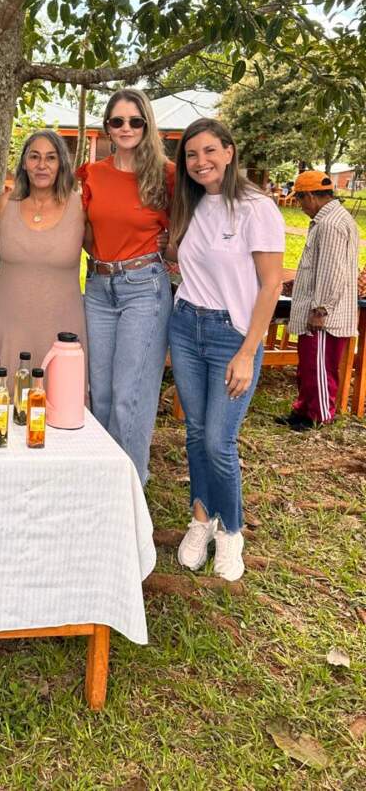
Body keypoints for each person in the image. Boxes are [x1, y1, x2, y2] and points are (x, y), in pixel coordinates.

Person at [168, 119, 284, 582]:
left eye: (210, 151)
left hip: (231, 336)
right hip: (185, 325)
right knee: (196, 433)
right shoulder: (192, 203)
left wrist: (247, 351)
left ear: (230, 152)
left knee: (219, 440)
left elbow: (271, 285)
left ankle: (231, 530)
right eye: (191, 155)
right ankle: (201, 519)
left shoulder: (257, 208)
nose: (201, 162)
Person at [76, 88, 174, 485]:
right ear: (107, 127)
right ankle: (103, 485)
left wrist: (168, 245)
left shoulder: (166, 175)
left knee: (129, 395)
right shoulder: (92, 174)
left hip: (143, 288)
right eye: (117, 121)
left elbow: (189, 227)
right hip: (99, 287)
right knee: (99, 392)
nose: (126, 127)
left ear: (147, 124)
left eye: (135, 121)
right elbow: (84, 231)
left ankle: (130, 487)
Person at [0, 129, 87, 397]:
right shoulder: (6, 204)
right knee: (4, 408)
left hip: (61, 331)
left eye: (51, 158)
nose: (42, 165)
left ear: (61, 164)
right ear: (24, 163)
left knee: (61, 407)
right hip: (11, 329)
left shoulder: (80, 207)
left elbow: (104, 250)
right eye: (34, 157)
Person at [275, 170, 359, 431]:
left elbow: (332, 272)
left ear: (310, 196)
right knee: (310, 365)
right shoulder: (331, 219)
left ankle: (319, 415)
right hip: (318, 309)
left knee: (320, 366)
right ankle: (304, 409)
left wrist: (321, 309)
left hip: (324, 315)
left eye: (300, 199)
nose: (300, 206)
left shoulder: (330, 224)